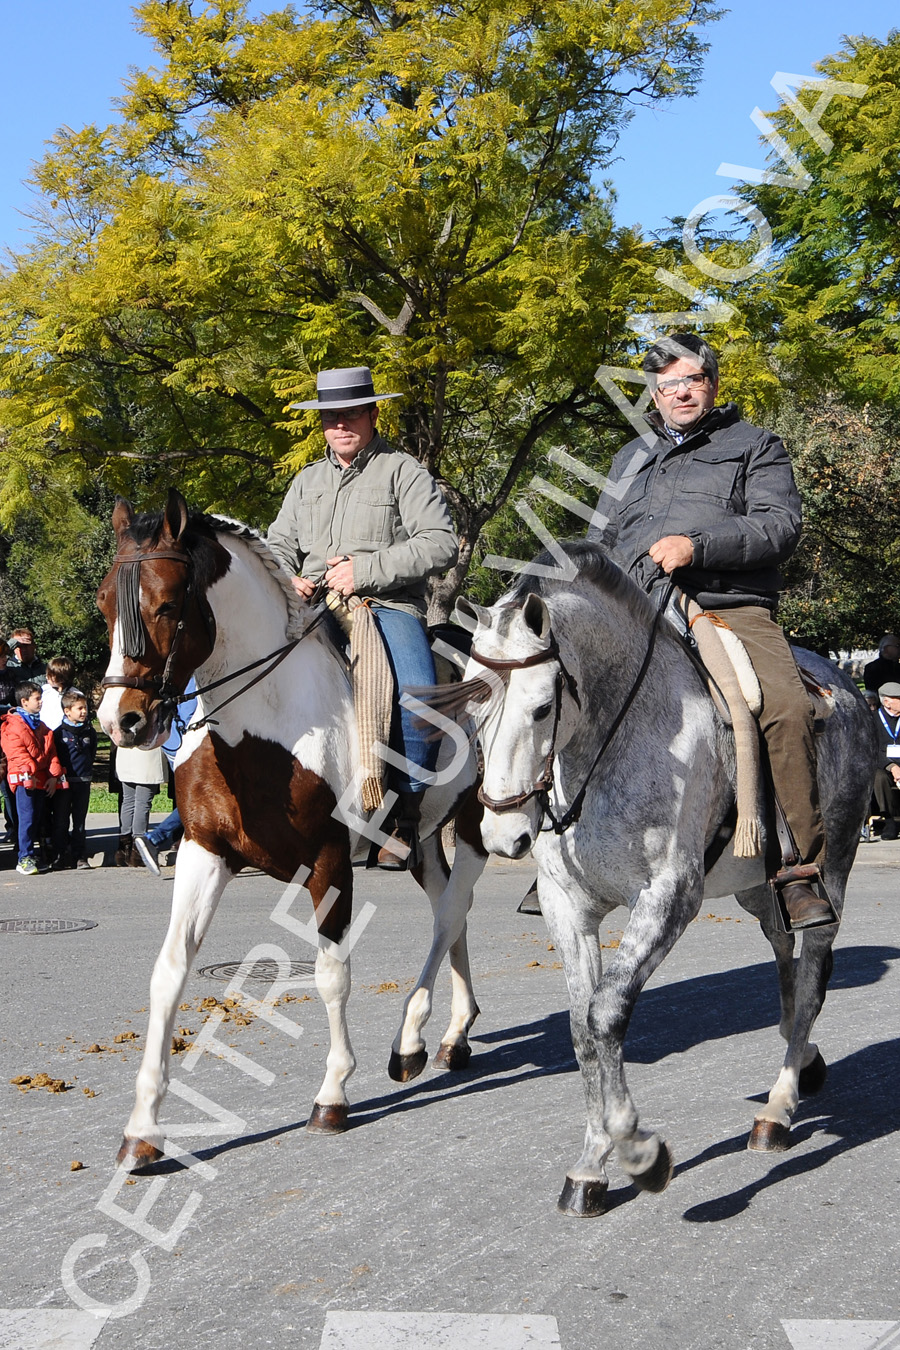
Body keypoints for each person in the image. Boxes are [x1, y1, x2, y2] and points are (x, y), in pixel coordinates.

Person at [589, 333, 831, 929]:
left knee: (784, 707)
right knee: (550, 687)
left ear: (712, 384)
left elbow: (780, 527)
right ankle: (568, 853)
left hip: (726, 604)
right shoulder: (629, 458)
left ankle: (798, 867)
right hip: (633, 607)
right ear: (654, 394)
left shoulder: (756, 446)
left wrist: (696, 546)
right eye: (666, 383)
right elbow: (598, 539)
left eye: (690, 379)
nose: (679, 392)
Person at [267, 365, 458, 867]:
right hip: (311, 606)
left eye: (352, 414)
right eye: (332, 416)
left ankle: (403, 817)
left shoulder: (404, 471)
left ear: (373, 413)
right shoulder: (306, 480)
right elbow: (279, 544)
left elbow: (441, 544)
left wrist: (366, 570)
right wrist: (287, 576)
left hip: (384, 605)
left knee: (417, 698)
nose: (341, 424)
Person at [0, 681, 65, 875]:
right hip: (24, 780)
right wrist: (32, 772)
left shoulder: (41, 725)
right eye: (37, 699)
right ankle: (24, 857)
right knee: (26, 819)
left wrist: (54, 774)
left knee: (37, 818)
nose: (41, 702)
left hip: (40, 780)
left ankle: (32, 854)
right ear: (24, 701)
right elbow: (16, 754)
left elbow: (51, 751)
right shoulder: (12, 726)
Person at [133, 681, 198, 876]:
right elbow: (188, 715)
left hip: (176, 740)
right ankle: (155, 839)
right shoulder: (195, 675)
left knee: (197, 799)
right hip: (185, 743)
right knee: (197, 798)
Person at [52, 690, 98, 868]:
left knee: (79, 822)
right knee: (61, 822)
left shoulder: (89, 732)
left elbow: (91, 753)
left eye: (85, 708)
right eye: (79, 708)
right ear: (67, 711)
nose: (84, 711)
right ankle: (59, 855)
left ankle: (79, 856)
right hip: (64, 784)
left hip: (83, 782)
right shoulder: (58, 734)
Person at [115, 743, 166, 867]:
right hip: (147, 756)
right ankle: (138, 848)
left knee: (128, 801)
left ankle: (123, 849)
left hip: (126, 755)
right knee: (142, 803)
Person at [871, 681, 900, 841]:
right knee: (878, 777)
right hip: (884, 766)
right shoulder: (873, 720)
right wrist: (891, 766)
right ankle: (889, 821)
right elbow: (872, 749)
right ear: (887, 702)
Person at [40, 655, 78, 732]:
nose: (46, 677)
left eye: (50, 675)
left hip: (66, 735)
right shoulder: (43, 690)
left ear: (61, 677)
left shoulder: (76, 695)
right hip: (45, 734)